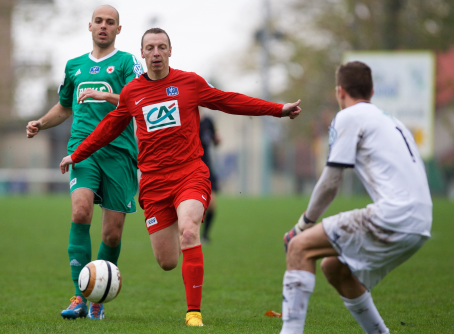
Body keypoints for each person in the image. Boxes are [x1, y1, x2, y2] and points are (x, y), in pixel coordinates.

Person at [59, 28, 302, 326]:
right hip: (153, 183)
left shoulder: (189, 83)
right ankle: (178, 221)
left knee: (189, 231)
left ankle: (193, 313)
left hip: (190, 173)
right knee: (167, 262)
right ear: (143, 53)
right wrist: (77, 154)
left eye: (162, 47)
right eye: (150, 48)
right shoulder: (132, 92)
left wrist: (279, 110)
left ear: (170, 51)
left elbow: (229, 100)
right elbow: (109, 127)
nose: (157, 52)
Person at [281, 61, 432, 334]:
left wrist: (303, 225)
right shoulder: (393, 121)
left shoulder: (349, 116)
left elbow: (331, 182)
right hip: (421, 222)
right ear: (372, 92)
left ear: (340, 92)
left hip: (394, 214)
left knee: (299, 247)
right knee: (335, 268)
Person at [26, 5, 144, 320]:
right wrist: (41, 122)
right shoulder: (74, 66)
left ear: (119, 29)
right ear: (89, 26)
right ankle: (79, 296)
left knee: (112, 235)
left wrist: (107, 97)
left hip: (119, 151)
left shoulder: (126, 62)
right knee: (80, 211)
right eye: (99, 21)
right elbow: (65, 106)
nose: (104, 26)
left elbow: (142, 97)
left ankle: (98, 296)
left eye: (110, 23)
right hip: (81, 150)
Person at [198, 115, 220, 243]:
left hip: (206, 168)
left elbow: (215, 142)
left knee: (212, 205)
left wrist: (217, 139)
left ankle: (205, 235)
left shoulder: (208, 121)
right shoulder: (185, 117)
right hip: (190, 167)